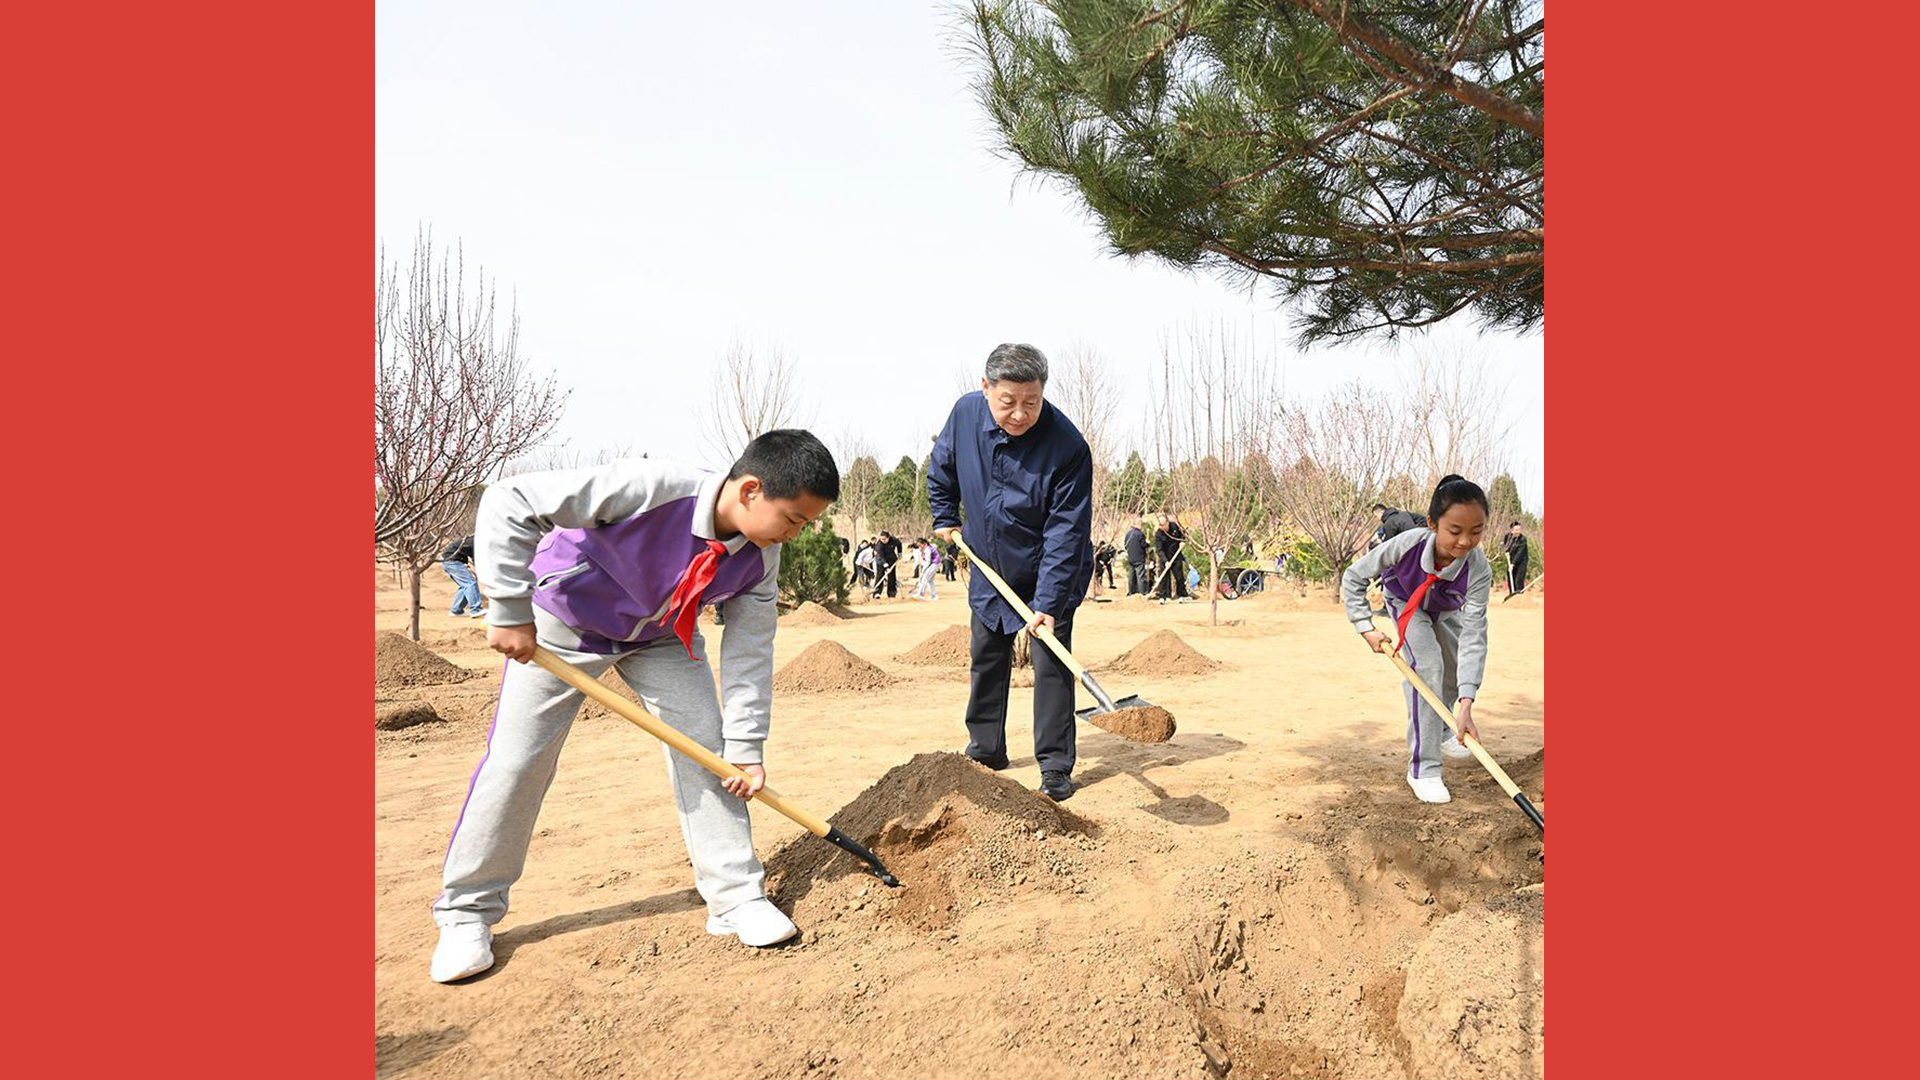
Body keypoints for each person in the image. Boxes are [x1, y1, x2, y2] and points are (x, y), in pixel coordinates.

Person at [429, 430, 840, 983]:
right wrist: (507, 606)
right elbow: (511, 499)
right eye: (793, 519)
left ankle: (736, 898)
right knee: (518, 761)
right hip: (564, 623)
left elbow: (749, 653)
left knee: (709, 755)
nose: (794, 535)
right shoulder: (650, 487)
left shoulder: (760, 560)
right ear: (749, 491)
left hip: (662, 638)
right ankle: (466, 915)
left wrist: (745, 749)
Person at [928, 343, 1093, 802]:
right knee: (986, 656)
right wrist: (945, 515)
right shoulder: (964, 415)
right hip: (988, 563)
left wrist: (1049, 603)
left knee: (1052, 664)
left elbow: (1066, 531)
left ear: (1043, 393)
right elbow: (941, 468)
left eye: (1031, 402)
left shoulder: (1067, 446)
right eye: (1008, 402)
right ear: (986, 389)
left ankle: (1055, 766)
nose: (1020, 413)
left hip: (1049, 568)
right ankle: (985, 750)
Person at [1341, 475, 1493, 806]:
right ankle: (1424, 769)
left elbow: (1474, 634)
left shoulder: (1478, 568)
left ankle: (1441, 730)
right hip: (1406, 602)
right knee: (1427, 668)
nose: (1465, 542)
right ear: (1432, 524)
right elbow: (1354, 577)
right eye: (1455, 531)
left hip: (1445, 609)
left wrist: (1466, 704)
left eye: (1476, 531)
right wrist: (1365, 626)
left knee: (1452, 672)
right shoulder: (1406, 543)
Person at [440, 533, 487, 618]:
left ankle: (456, 610)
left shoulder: (474, 539)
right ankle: (476, 610)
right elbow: (477, 560)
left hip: (452, 560)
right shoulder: (476, 542)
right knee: (470, 583)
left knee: (465, 585)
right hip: (451, 561)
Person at [1155, 513, 1191, 601]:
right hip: (1165, 557)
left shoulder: (1174, 526)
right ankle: (1164, 596)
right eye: (1160, 524)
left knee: (1179, 576)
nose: (1161, 526)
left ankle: (1181, 595)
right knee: (1164, 577)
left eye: (1163, 524)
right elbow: (1159, 550)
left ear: (1167, 522)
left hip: (1176, 555)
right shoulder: (1158, 534)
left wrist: (1182, 541)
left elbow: (1182, 534)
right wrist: (1165, 561)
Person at [1501, 522, 1530, 601]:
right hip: (1510, 559)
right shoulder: (1508, 536)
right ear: (1512, 530)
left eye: (1519, 529)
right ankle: (1512, 595)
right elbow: (1503, 544)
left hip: (1521, 561)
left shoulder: (1523, 539)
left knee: (1519, 579)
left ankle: (1519, 597)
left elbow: (1520, 553)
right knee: (1511, 577)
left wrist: (1513, 564)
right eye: (1516, 530)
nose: (1518, 531)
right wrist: (1505, 551)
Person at [871, 530, 902, 598]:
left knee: (892, 577)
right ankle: (877, 593)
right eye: (881, 539)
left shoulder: (894, 540)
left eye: (884, 539)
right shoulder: (879, 545)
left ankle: (892, 593)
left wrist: (899, 553)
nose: (882, 540)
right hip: (881, 562)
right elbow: (880, 556)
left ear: (888, 537)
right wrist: (886, 566)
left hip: (891, 559)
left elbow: (899, 544)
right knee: (880, 576)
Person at [1123, 517, 1149, 595]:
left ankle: (1131, 592)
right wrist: (1148, 543)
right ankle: (1142, 593)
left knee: (1131, 577)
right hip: (1139, 558)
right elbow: (1143, 545)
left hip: (1131, 558)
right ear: (1140, 524)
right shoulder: (1140, 534)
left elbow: (1125, 545)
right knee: (1140, 577)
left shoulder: (1128, 534)